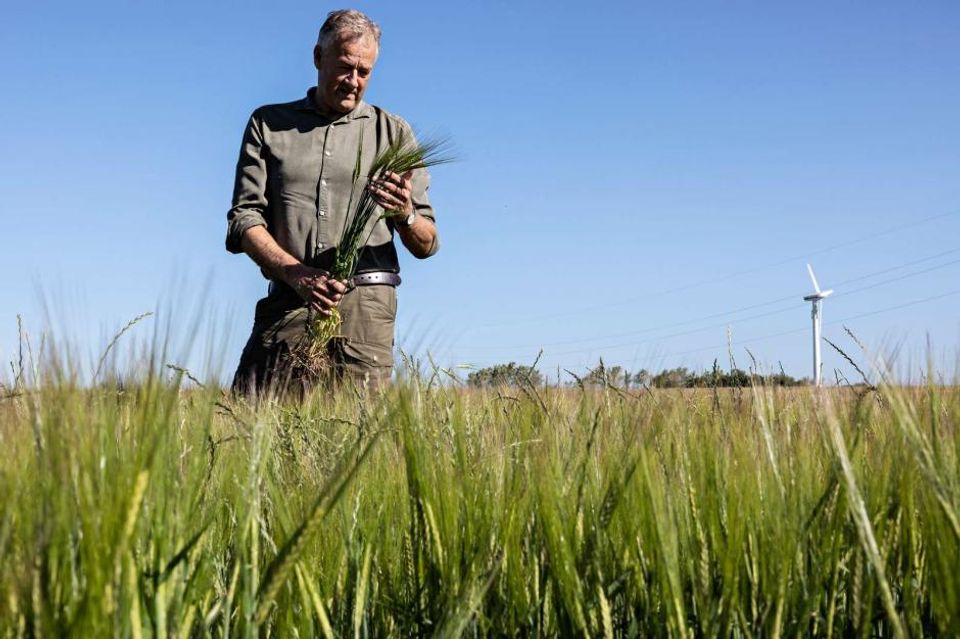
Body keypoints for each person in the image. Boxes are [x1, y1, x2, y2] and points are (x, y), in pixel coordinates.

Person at [226, 9, 439, 394]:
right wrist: (296, 274)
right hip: (289, 299)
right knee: (249, 416)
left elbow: (428, 243)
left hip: (367, 311)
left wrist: (405, 214)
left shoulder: (394, 134)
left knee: (356, 426)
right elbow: (244, 219)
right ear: (317, 57)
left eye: (364, 72)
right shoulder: (268, 124)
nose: (353, 81)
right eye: (344, 67)